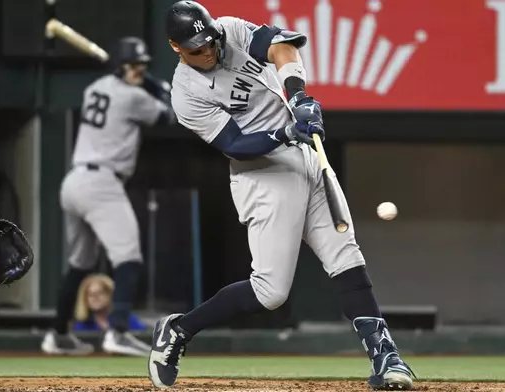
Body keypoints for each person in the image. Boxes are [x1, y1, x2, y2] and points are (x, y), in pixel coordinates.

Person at [148, 1, 415, 390]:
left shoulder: (230, 30)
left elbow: (281, 46)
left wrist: (299, 97)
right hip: (262, 174)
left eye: (209, 43)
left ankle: (386, 355)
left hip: (307, 156)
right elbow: (235, 143)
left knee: (345, 255)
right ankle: (180, 329)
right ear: (176, 48)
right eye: (196, 49)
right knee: (270, 292)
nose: (207, 52)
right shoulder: (186, 93)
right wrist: (286, 133)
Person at [41, 36, 177, 357]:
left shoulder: (95, 87)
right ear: (119, 66)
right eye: (132, 66)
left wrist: (146, 87)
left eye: (142, 66)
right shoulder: (133, 98)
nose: (138, 71)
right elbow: (171, 116)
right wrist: (163, 91)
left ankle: (58, 334)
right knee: (129, 258)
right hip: (101, 183)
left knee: (80, 264)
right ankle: (117, 331)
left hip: (74, 183)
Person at [72, 274, 147, 332]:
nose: (95, 298)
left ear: (110, 295)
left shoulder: (127, 319)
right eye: (91, 295)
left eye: (100, 293)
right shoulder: (81, 326)